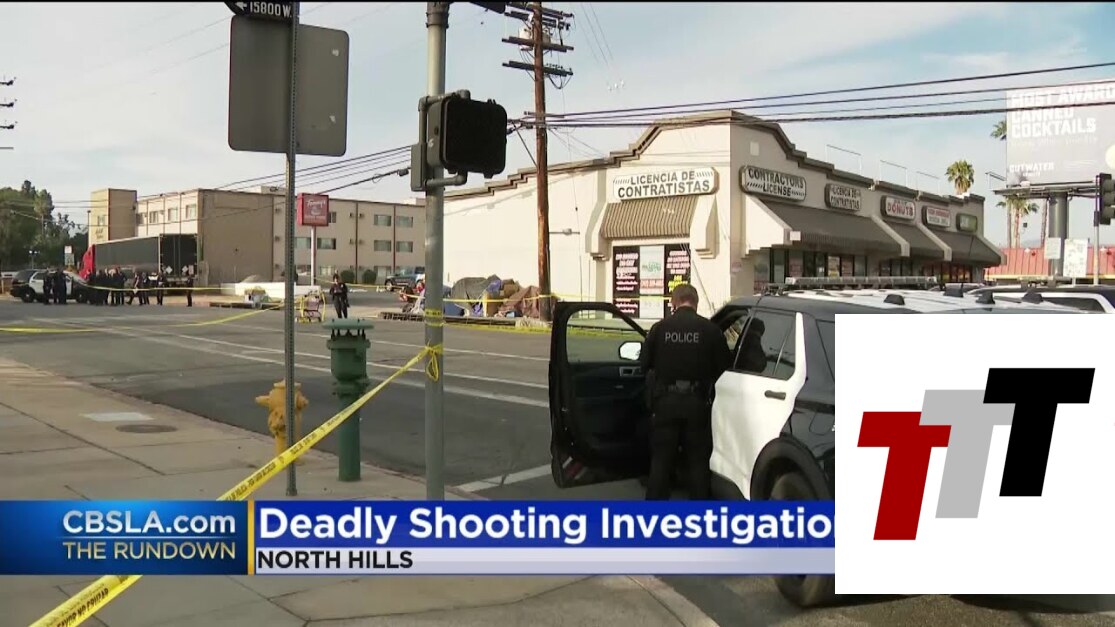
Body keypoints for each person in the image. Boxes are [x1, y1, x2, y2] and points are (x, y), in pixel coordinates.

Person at [638, 284, 732, 501]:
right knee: (698, 463)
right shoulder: (710, 330)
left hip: (665, 404)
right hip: (697, 404)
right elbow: (724, 367)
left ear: (674, 301)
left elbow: (643, 365)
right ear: (696, 302)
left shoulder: (659, 329)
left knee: (661, 462)